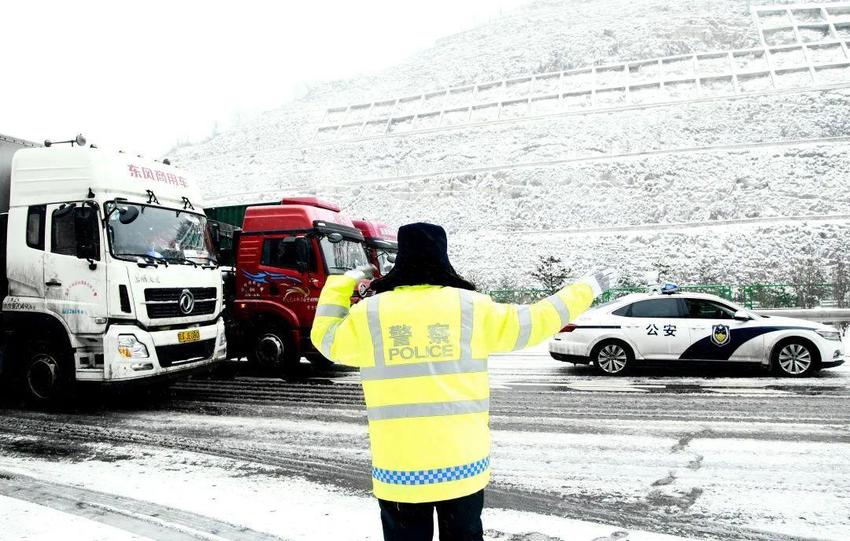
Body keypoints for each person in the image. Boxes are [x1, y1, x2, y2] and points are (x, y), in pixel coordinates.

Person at [311, 222, 618, 541]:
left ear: (399, 260)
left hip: (399, 468)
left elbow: (325, 339)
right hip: (462, 466)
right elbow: (538, 319)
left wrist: (343, 282)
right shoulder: (472, 308)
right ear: (444, 258)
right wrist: (588, 288)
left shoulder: (370, 315)